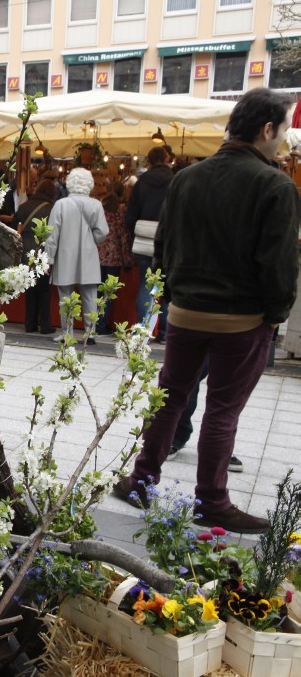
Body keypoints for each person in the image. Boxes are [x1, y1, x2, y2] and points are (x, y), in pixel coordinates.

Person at [114, 88, 300, 533]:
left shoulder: (186, 178)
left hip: (185, 312)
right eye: (283, 130)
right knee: (222, 409)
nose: (283, 140)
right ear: (267, 129)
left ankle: (141, 481)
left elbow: (163, 247)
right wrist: (276, 314)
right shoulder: (274, 185)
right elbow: (278, 262)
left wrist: (173, 296)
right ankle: (211, 501)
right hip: (242, 318)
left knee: (169, 399)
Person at [41, 167, 109, 344]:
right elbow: (102, 232)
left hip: (65, 255)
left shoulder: (60, 204)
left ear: (70, 183)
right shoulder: (96, 205)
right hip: (88, 255)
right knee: (90, 295)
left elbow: (51, 235)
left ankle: (67, 333)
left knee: (65, 296)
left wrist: (48, 259)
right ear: (89, 184)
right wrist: (91, 239)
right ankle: (90, 333)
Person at [126, 146, 174, 341]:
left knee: (146, 287)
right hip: (169, 240)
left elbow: (130, 216)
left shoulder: (141, 182)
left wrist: (136, 232)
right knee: (166, 286)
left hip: (144, 241)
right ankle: (164, 332)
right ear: (167, 158)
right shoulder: (175, 180)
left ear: (150, 161)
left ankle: (142, 331)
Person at [15, 178, 57, 335]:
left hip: (27, 251)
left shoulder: (24, 206)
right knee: (44, 289)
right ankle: (45, 324)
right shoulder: (52, 209)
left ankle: (30, 323)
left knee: (30, 287)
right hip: (44, 251)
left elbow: (14, 225)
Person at [96, 180, 134, 335]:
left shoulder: (99, 208)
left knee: (97, 292)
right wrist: (127, 259)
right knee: (108, 293)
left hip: (97, 255)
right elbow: (124, 236)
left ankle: (94, 323)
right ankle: (101, 324)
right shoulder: (121, 210)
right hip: (114, 258)